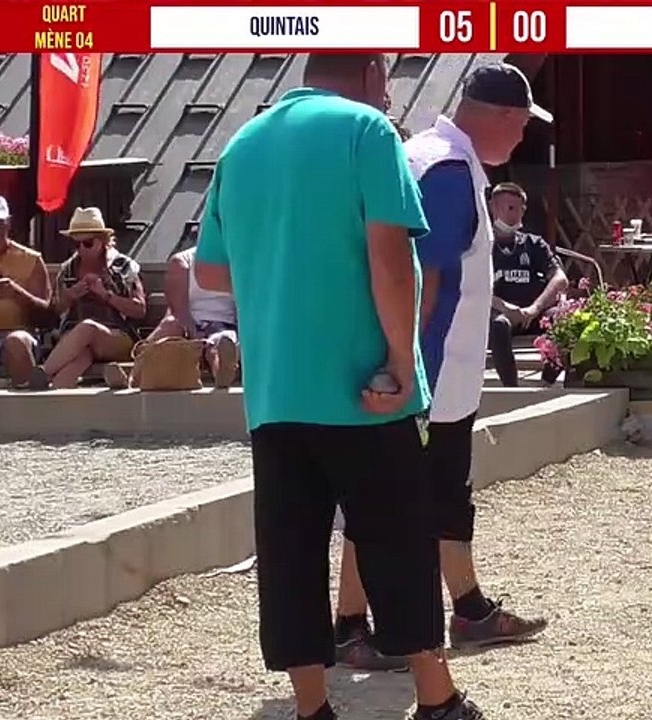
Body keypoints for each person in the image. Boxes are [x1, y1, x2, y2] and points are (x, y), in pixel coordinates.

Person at [193, 53, 485, 720]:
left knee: (290, 552)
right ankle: (438, 701)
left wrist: (285, 269)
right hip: (364, 387)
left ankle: (311, 708)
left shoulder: (242, 143)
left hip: (276, 391)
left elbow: (210, 272)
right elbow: (389, 255)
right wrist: (401, 362)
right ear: (371, 71)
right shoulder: (368, 131)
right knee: (397, 543)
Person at [334, 63, 551, 669]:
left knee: (445, 492)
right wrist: (407, 370)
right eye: (523, 127)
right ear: (505, 118)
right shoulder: (448, 171)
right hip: (429, 370)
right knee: (387, 499)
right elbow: (424, 277)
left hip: (441, 371)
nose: (522, 139)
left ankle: (470, 606)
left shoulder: (429, 155)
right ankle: (351, 623)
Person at [42, 208, 146, 389]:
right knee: (80, 359)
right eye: (76, 245)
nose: (81, 249)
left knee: (88, 328)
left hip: (116, 337)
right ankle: (51, 405)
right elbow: (54, 312)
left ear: (103, 241)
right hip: (76, 343)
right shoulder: (68, 269)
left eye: (88, 243)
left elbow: (139, 310)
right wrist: (69, 297)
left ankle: (43, 374)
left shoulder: (123, 266)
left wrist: (106, 295)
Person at [488, 182, 568, 386]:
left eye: (520, 209)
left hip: (532, 313)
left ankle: (547, 382)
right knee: (499, 324)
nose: (516, 215)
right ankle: (511, 387)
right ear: (493, 208)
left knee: (563, 318)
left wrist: (534, 309)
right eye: (510, 208)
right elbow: (468, 284)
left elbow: (560, 279)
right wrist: (504, 307)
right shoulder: (482, 247)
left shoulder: (533, 244)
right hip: (498, 312)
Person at [0, 193, 51, 388]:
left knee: (17, 342)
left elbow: (48, 318)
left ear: (8, 223)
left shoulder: (30, 259)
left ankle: (28, 411)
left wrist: (19, 295)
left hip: (16, 334)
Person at [136, 245, 239, 388]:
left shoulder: (239, 261)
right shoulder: (182, 260)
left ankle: (222, 374)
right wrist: (195, 335)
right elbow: (179, 310)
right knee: (170, 326)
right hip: (186, 322)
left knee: (221, 342)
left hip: (222, 324)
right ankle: (133, 377)